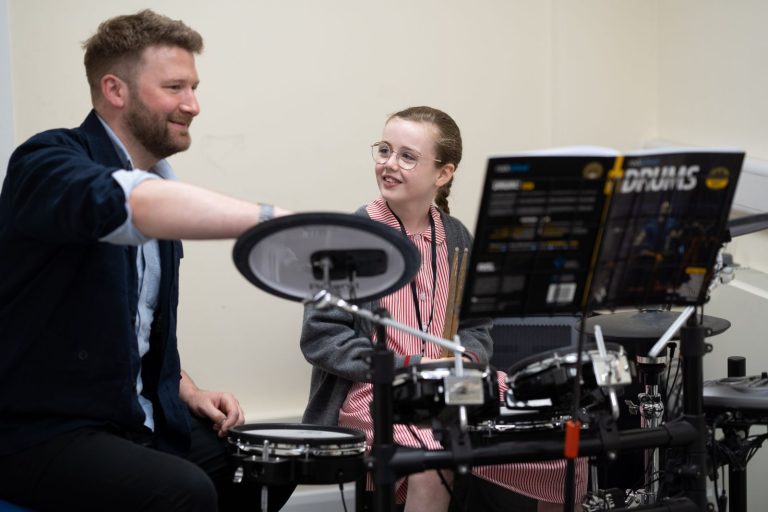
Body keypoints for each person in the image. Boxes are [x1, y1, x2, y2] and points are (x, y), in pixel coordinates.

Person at [0, 10, 293, 512]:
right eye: (175, 87)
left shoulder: (160, 183)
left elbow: (131, 325)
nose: (194, 105)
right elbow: (126, 202)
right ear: (116, 90)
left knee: (273, 465)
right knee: (184, 492)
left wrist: (187, 388)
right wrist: (278, 221)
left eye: (194, 87)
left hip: (132, 418)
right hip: (39, 431)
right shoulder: (45, 162)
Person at [300, 106, 586, 512]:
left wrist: (467, 357)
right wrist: (409, 366)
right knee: (434, 460)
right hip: (375, 392)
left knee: (563, 438)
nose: (389, 164)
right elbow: (321, 338)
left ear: (443, 173)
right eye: (384, 150)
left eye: (407, 156)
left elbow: (476, 326)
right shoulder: (349, 237)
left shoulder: (457, 237)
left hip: (454, 384)